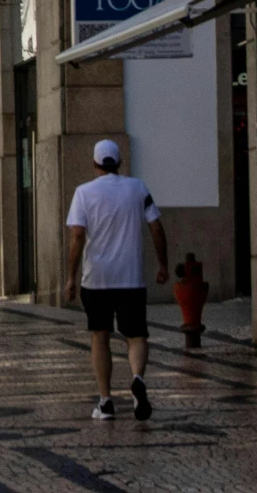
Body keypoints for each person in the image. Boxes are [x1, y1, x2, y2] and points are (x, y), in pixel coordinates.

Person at [62, 139, 168, 422]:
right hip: (130, 278)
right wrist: (163, 264)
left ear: (95, 164)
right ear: (119, 163)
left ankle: (106, 401)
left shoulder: (83, 193)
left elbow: (77, 237)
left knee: (100, 336)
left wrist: (70, 277)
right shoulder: (137, 188)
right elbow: (156, 226)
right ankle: (137, 380)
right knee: (136, 336)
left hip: (96, 279)